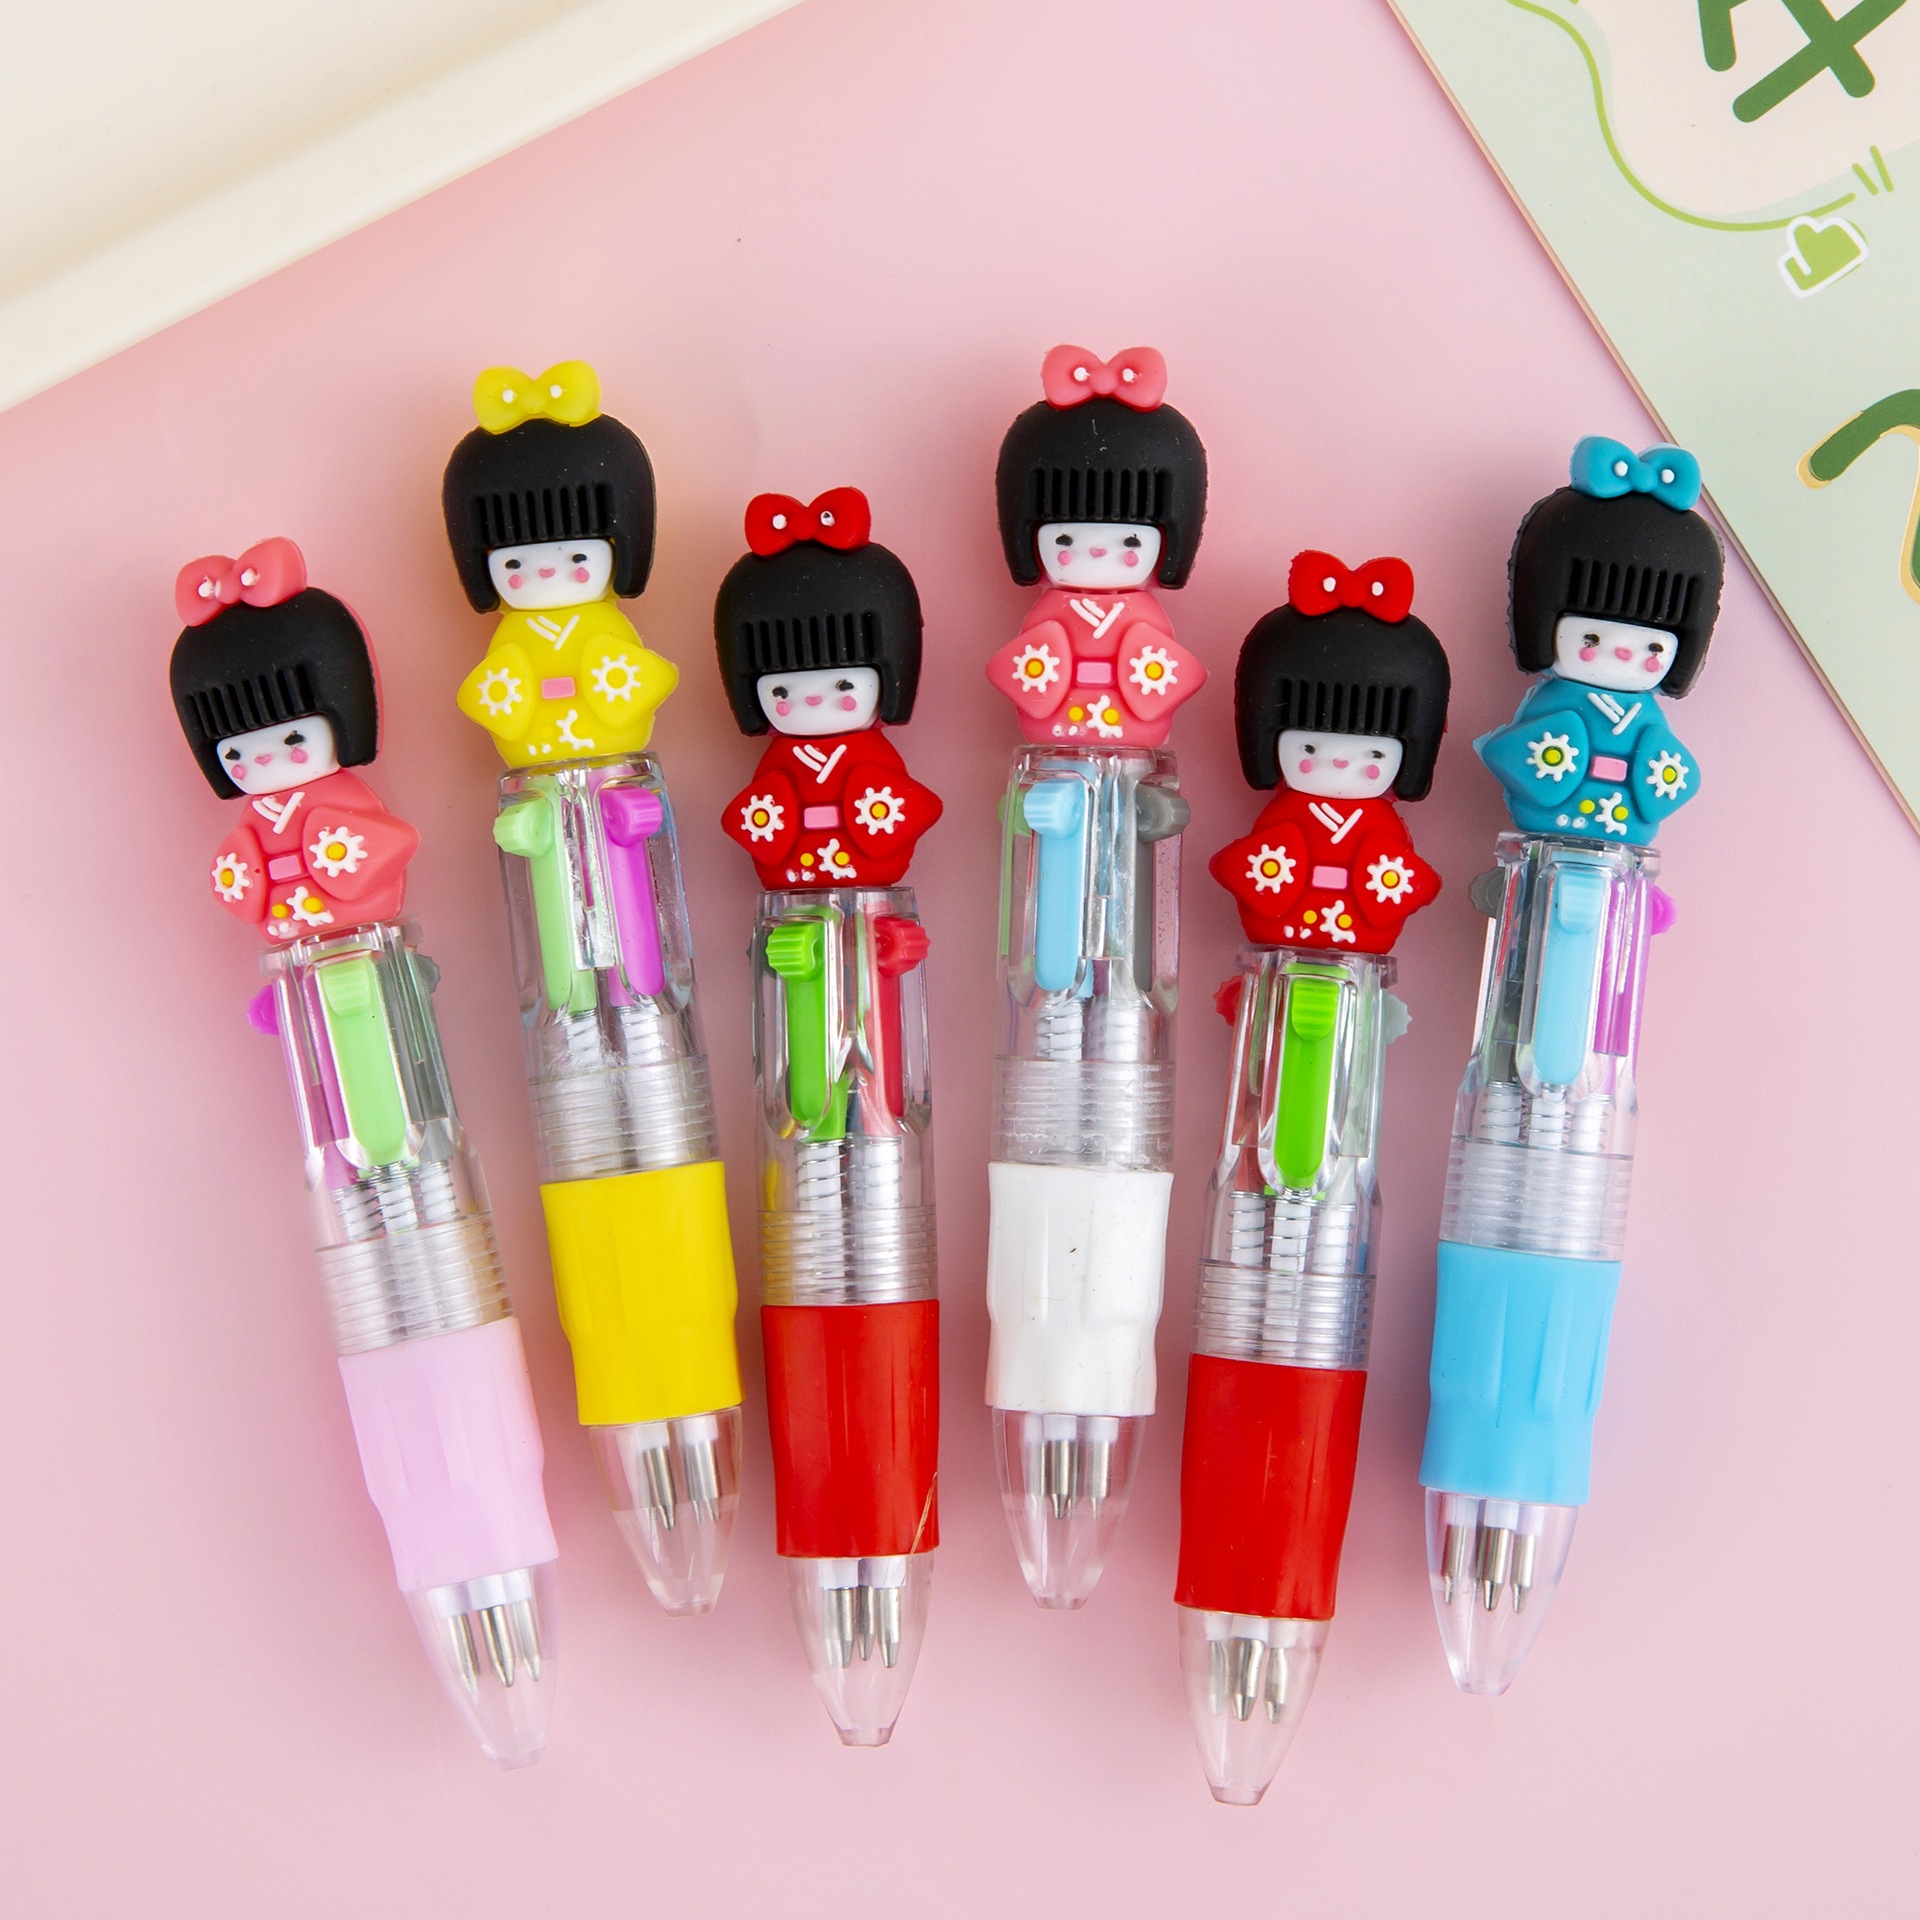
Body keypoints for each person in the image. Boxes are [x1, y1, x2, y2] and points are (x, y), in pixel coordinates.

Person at [1477, 436, 1724, 844]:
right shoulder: (1555, 700)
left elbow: (1673, 773)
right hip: (1552, 820)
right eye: (1591, 637)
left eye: (1654, 647)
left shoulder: (1645, 713)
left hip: (1622, 833)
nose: (1622, 651)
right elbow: (1509, 753)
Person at [170, 539, 418, 940]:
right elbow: (237, 870)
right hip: (288, 932)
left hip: (361, 926)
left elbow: (395, 841)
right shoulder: (257, 813)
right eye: (234, 752)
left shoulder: (341, 794)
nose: (263, 758)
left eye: (293, 738)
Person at [1211, 550, 1450, 954]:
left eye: (1374, 755)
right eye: (1309, 747)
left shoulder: (1379, 822)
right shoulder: (1284, 813)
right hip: (1285, 926)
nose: (1339, 760)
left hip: (1358, 931)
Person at [442, 359, 675, 765]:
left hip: (615, 756)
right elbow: (490, 691)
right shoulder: (514, 632)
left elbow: (643, 677)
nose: (547, 570)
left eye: (579, 556)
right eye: (514, 564)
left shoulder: (604, 622)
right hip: (536, 760)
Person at [715, 487, 941, 888]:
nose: (813, 698)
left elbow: (916, 807)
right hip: (793, 876)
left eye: (844, 684)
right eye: (781, 691)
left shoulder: (871, 752)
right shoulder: (781, 758)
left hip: (867, 871)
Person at [987, 345, 1208, 745]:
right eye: (1065, 539)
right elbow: (1026, 665)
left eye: (1131, 541)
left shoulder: (1143, 612)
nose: (1099, 552)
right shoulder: (1049, 609)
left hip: (1130, 728)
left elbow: (1171, 670)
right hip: (1057, 728)